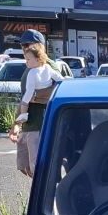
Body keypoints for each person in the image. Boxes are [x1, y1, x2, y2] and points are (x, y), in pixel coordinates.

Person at [9, 30, 66, 177]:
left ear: (40, 46)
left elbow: (61, 89)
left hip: (42, 124)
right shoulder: (31, 67)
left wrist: (36, 95)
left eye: (27, 44)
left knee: (43, 171)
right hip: (29, 124)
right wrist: (16, 123)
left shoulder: (49, 66)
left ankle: (48, 199)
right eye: (22, 45)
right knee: (26, 167)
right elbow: (24, 99)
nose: (24, 48)